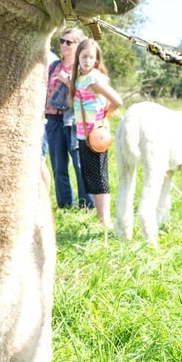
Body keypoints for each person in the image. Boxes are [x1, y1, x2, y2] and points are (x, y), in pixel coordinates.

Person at [69, 37, 122, 227]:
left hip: (96, 136)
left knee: (99, 178)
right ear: (78, 57)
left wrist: (105, 114)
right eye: (84, 57)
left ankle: (105, 220)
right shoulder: (80, 79)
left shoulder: (94, 79)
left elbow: (117, 100)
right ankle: (101, 217)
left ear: (96, 60)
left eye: (91, 57)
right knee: (91, 177)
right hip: (84, 135)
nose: (87, 61)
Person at [45, 26, 92, 209]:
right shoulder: (54, 66)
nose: (64, 45)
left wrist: (67, 80)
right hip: (53, 120)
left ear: (78, 45)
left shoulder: (83, 67)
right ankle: (65, 205)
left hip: (75, 120)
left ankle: (86, 205)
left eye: (69, 42)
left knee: (80, 164)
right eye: (62, 41)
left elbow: (88, 92)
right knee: (58, 167)